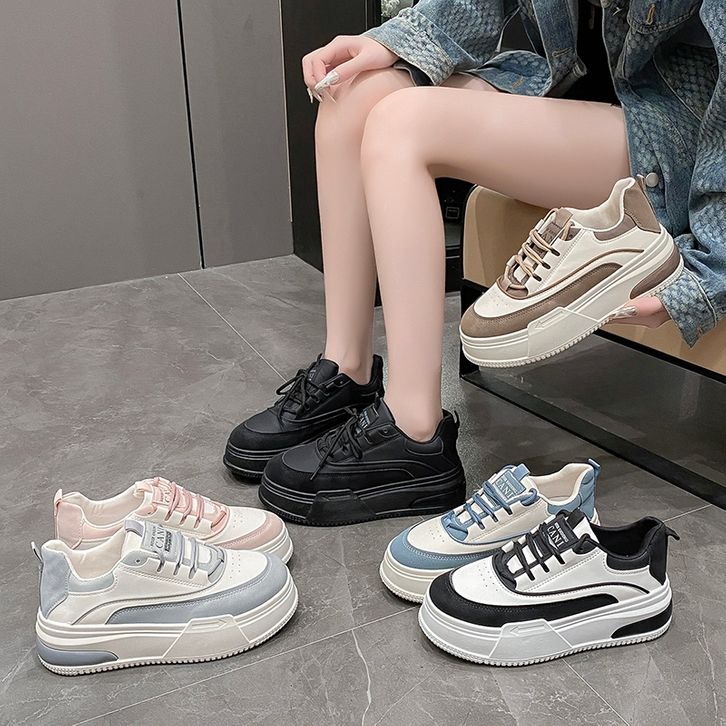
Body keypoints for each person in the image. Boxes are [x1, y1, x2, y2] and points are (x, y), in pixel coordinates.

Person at [224, 0, 725, 526]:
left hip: (674, 136)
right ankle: (347, 369)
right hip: (580, 92)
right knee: (351, 93)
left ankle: (414, 433)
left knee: (401, 123)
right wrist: (394, 40)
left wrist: (704, 278)